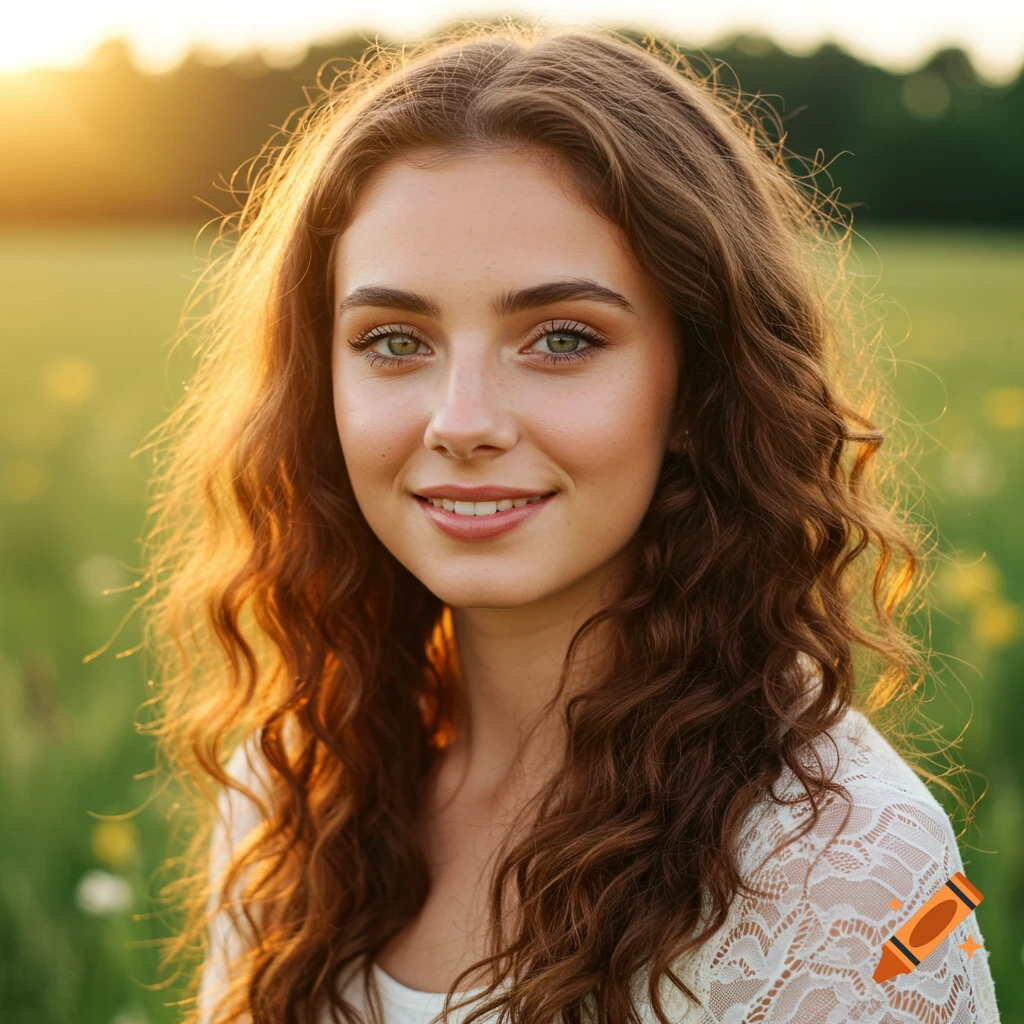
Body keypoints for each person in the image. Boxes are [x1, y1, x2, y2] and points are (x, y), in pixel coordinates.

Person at [140, 20, 1001, 1024]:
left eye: (559, 338)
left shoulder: (844, 867)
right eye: (391, 340)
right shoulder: (294, 783)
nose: (460, 422)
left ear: (698, 383)